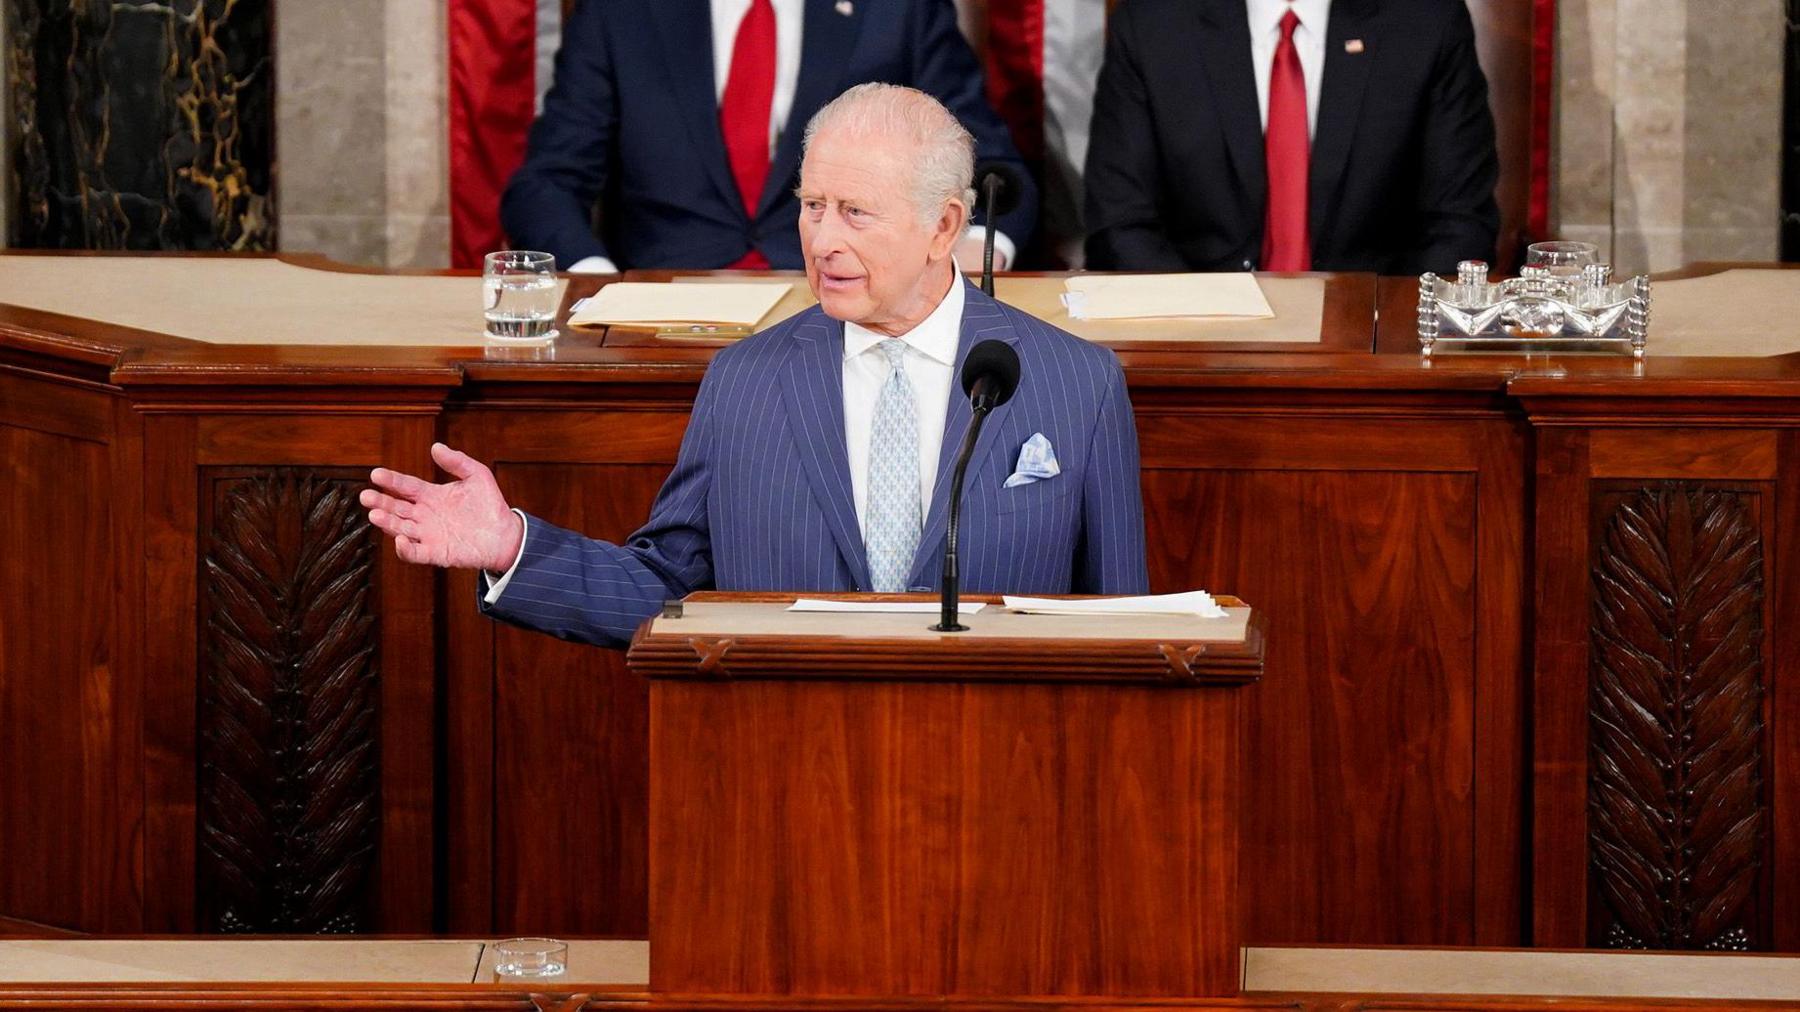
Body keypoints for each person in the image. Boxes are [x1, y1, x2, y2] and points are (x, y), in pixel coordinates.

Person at [365, 84, 1146, 649]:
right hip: (777, 792)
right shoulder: (746, 381)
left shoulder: (1076, 383)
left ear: (945, 226)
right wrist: (514, 547)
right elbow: (670, 591)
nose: (822, 240)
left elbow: (1127, 638)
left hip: (1009, 794)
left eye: (855, 212)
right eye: (812, 206)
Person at [500, 0, 1038, 274]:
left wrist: (969, 252)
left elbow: (990, 169)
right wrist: (596, 285)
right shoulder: (623, 11)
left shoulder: (896, 9)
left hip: (848, 306)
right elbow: (545, 183)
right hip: (662, 318)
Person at [1083, 0, 1500, 275]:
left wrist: (1387, 338)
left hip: (1374, 353)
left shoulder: (1426, 20)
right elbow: (1120, 225)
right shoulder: (1152, 22)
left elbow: (1459, 224)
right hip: (1199, 349)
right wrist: (1201, 324)